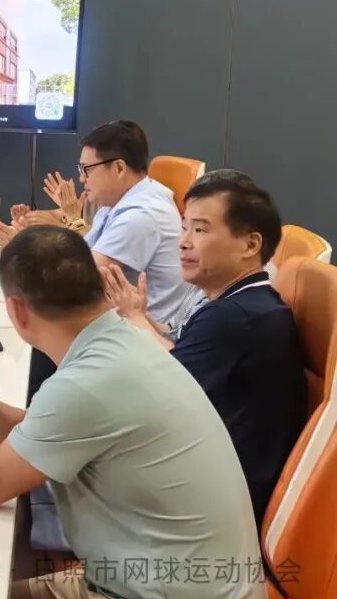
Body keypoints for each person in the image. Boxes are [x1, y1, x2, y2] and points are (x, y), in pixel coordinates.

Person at [0, 226, 266, 599]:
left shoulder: (87, 383)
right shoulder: (121, 343)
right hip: (162, 586)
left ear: (16, 310)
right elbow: (33, 432)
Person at [102, 175, 306, 526]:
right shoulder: (243, 303)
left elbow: (166, 385)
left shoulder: (236, 318)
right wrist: (140, 317)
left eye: (199, 230)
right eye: (184, 228)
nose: (183, 243)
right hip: (211, 482)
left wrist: (135, 320)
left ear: (250, 244)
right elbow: (182, 352)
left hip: (211, 507)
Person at [0, 120, 191, 324]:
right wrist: (31, 241)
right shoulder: (121, 201)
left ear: (119, 168)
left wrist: (19, 252)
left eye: (86, 169)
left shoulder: (141, 216)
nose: (82, 179)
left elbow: (77, 282)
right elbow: (81, 251)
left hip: (141, 330)